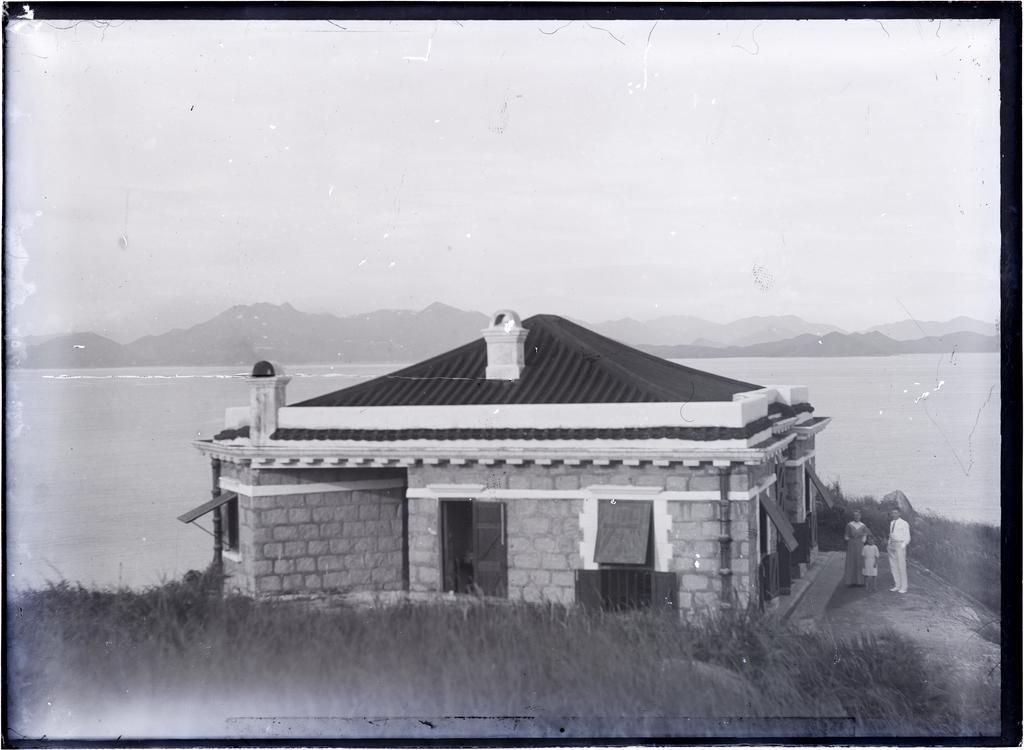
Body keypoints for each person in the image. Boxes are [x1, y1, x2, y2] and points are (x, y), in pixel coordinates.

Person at [886, 508, 911, 593]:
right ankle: (897, 585)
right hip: (892, 545)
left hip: (900, 544)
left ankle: (904, 587)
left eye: (896, 513)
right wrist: (889, 543)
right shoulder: (892, 522)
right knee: (893, 566)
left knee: (901, 566)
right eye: (893, 513)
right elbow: (891, 534)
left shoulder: (904, 523)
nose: (894, 514)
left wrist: (903, 545)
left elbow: (907, 537)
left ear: (899, 513)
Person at [843, 509, 868, 586]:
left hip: (860, 544)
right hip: (851, 544)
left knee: (859, 561)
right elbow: (846, 535)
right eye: (855, 515)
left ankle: (860, 581)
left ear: (860, 516)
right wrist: (848, 538)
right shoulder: (849, 524)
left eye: (858, 515)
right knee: (851, 561)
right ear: (853, 516)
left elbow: (865, 534)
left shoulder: (863, 525)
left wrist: (863, 540)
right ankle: (850, 581)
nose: (856, 517)